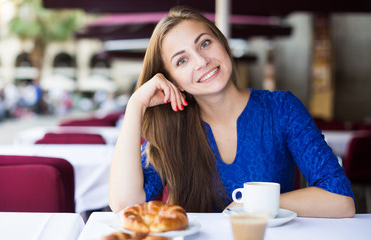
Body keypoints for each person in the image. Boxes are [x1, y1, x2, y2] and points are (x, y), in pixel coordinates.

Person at [109, 6, 355, 217]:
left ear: (223, 43)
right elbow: (124, 205)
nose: (201, 61)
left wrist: (253, 204)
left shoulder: (281, 109)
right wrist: (136, 105)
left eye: (205, 43)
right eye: (181, 60)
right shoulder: (172, 128)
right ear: (172, 80)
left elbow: (340, 200)